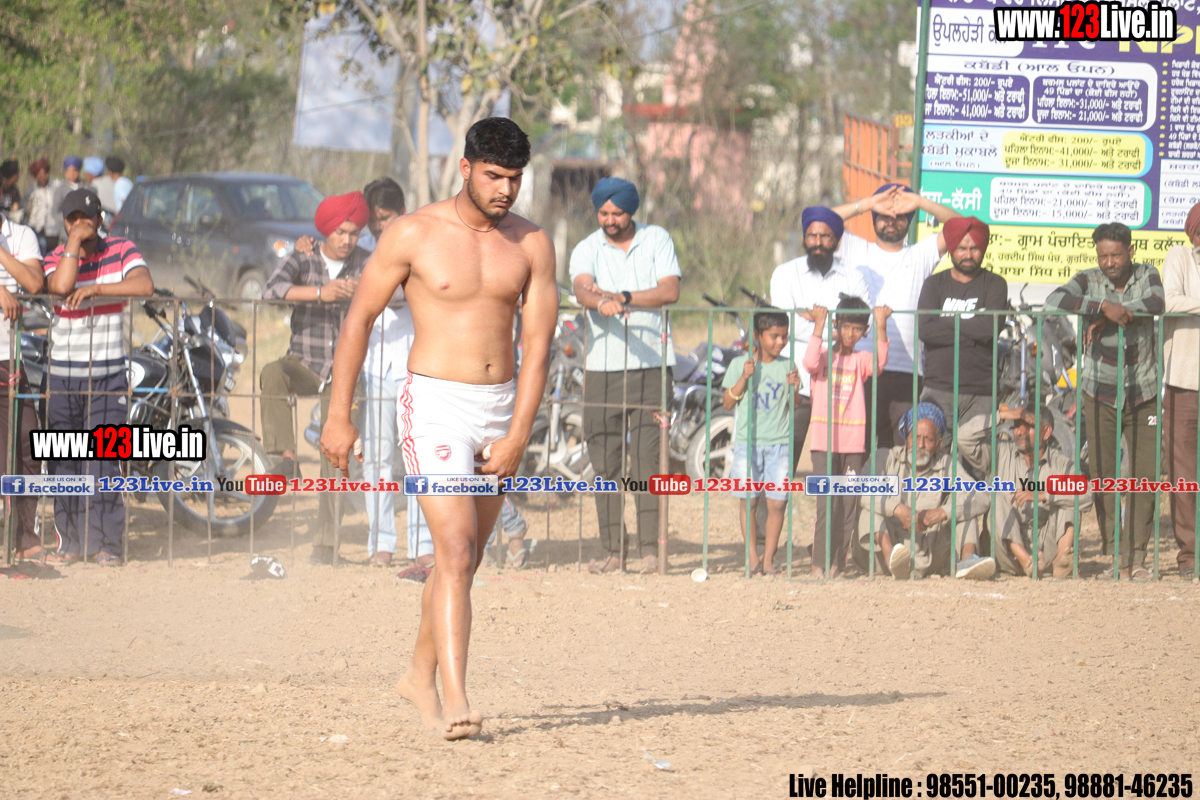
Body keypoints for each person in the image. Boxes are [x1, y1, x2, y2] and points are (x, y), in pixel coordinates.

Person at [320, 117, 558, 740]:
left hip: (500, 409)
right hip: (434, 404)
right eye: (495, 176)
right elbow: (359, 319)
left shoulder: (532, 244)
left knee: (465, 559)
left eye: (515, 178)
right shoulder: (412, 233)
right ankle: (457, 700)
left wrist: (518, 435)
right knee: (453, 549)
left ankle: (417, 676)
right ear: (466, 168)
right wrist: (339, 414)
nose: (506, 189)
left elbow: (537, 348)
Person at [570, 176, 681, 575]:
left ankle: (651, 550)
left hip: (652, 365)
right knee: (605, 461)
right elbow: (581, 287)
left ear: (631, 211)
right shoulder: (587, 247)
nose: (610, 220)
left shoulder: (657, 239)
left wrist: (626, 297)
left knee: (648, 461)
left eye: (617, 213)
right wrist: (598, 301)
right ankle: (614, 550)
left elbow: (669, 290)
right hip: (602, 368)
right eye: (603, 213)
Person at [1046, 222, 1163, 580]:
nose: (1110, 262)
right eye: (1103, 256)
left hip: (1144, 391)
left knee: (1145, 477)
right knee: (1104, 476)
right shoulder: (1088, 279)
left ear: (1131, 251)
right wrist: (1103, 307)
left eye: (1116, 255)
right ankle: (1116, 555)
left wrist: (1110, 314)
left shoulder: (1147, 273)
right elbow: (1055, 300)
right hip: (1099, 391)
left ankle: (1137, 557)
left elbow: (1156, 302)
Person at [42, 188, 154, 565]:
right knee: (65, 460)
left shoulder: (121, 249)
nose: (79, 224)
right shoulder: (56, 256)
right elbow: (61, 287)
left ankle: (107, 544)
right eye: (72, 219)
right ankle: (70, 543)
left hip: (107, 374)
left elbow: (144, 285)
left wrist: (97, 289)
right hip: (62, 376)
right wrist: (74, 243)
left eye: (86, 218)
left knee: (105, 459)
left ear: (100, 220)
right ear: (64, 222)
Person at [261, 191, 370, 565]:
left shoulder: (366, 262)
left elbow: (393, 293)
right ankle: (285, 456)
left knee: (335, 457)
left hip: (345, 373)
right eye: (341, 232)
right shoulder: (303, 255)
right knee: (271, 372)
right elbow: (271, 291)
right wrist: (322, 293)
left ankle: (327, 544)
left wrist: (361, 293)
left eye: (353, 233)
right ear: (326, 231)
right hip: (304, 363)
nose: (347, 240)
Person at [834, 184, 962, 448]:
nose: (891, 221)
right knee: (855, 451)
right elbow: (820, 220)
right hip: (860, 369)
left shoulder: (920, 254)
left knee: (899, 453)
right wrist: (869, 203)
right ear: (874, 218)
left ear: (908, 221)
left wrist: (919, 202)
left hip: (908, 372)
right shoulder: (856, 249)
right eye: (884, 216)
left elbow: (962, 227)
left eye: (899, 216)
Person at [769, 206, 870, 464]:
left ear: (836, 240)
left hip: (840, 389)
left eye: (825, 236)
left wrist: (815, 324)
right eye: (812, 235)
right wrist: (839, 330)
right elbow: (785, 326)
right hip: (796, 383)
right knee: (782, 463)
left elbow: (863, 327)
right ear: (804, 237)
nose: (818, 242)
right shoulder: (785, 274)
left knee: (838, 469)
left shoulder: (854, 278)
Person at [803, 299, 891, 578]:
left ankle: (838, 564)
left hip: (853, 444)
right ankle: (818, 564)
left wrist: (881, 325)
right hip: (823, 443)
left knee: (847, 504)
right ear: (837, 325)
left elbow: (879, 363)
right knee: (825, 503)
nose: (850, 334)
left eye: (857, 329)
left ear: (864, 331)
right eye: (845, 327)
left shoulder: (860, 360)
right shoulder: (823, 357)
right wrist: (819, 326)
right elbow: (808, 362)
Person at [858, 402, 993, 580]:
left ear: (938, 444)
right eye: (915, 437)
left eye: (928, 440)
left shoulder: (946, 464)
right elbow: (860, 489)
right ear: (906, 438)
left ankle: (968, 561)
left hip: (930, 552)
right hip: (888, 546)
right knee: (870, 508)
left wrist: (941, 513)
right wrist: (898, 510)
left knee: (964, 507)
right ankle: (892, 559)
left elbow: (981, 496)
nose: (920, 445)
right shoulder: (886, 458)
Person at [916, 216, 1008, 476]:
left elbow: (990, 329)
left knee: (977, 468)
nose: (968, 254)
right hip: (938, 389)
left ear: (983, 249)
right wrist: (973, 328)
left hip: (981, 392)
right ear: (951, 249)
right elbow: (926, 330)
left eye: (974, 248)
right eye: (962, 248)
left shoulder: (995, 284)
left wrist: (947, 322)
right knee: (931, 463)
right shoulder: (934, 284)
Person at [957, 403, 1091, 578]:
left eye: (1028, 426)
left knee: (1068, 498)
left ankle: (1062, 560)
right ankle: (1026, 561)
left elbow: (1087, 493)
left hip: (1045, 550)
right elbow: (963, 437)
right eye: (1016, 426)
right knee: (996, 495)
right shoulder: (1000, 452)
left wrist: (1044, 495)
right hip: (1006, 552)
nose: (1019, 432)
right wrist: (1002, 416)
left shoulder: (1061, 464)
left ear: (1046, 432)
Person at [721, 310, 802, 576]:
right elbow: (727, 402)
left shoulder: (788, 365)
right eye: (774, 336)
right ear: (757, 336)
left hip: (780, 443)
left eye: (784, 336)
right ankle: (752, 557)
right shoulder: (740, 364)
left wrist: (795, 388)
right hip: (748, 443)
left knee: (777, 503)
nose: (780, 342)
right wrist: (744, 377)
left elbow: (795, 404)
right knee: (750, 500)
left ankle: (769, 559)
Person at [0, 204, 45, 559]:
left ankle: (24, 536)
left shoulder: (20, 235)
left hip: (9, 357)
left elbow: (33, 283)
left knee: (29, 445)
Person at [1161, 203, 1200, 577]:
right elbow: (1169, 299)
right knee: (1184, 474)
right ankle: (1191, 555)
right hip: (1184, 382)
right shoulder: (1179, 257)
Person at [22, 158, 64, 252]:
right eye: (39, 174)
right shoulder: (31, 191)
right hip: (36, 229)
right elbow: (25, 210)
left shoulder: (57, 186)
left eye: (45, 173)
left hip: (53, 230)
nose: (43, 177)